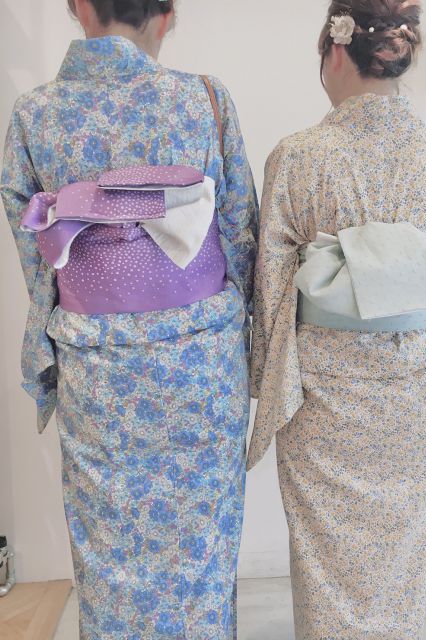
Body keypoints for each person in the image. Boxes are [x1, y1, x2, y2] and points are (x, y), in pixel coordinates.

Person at [1, 0, 258, 638]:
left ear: (77, 6)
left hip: (99, 369)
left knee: (110, 551)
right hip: (200, 364)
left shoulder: (34, 114)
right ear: (167, 14)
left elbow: (40, 264)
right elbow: (241, 238)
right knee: (201, 550)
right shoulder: (205, 100)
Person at [249, 0, 426, 638]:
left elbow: (272, 287)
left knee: (324, 563)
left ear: (335, 49)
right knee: (401, 560)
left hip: (323, 395)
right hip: (413, 393)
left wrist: (264, 375)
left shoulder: (296, 157)